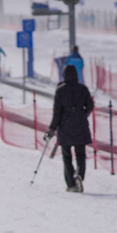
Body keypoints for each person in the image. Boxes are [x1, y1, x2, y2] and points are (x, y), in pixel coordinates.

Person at [45, 65, 94, 193]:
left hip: (65, 126)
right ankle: (79, 175)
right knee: (80, 154)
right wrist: (83, 114)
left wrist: (52, 128)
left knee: (66, 156)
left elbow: (57, 112)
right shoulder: (83, 89)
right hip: (80, 125)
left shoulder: (60, 90)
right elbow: (90, 105)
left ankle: (71, 184)